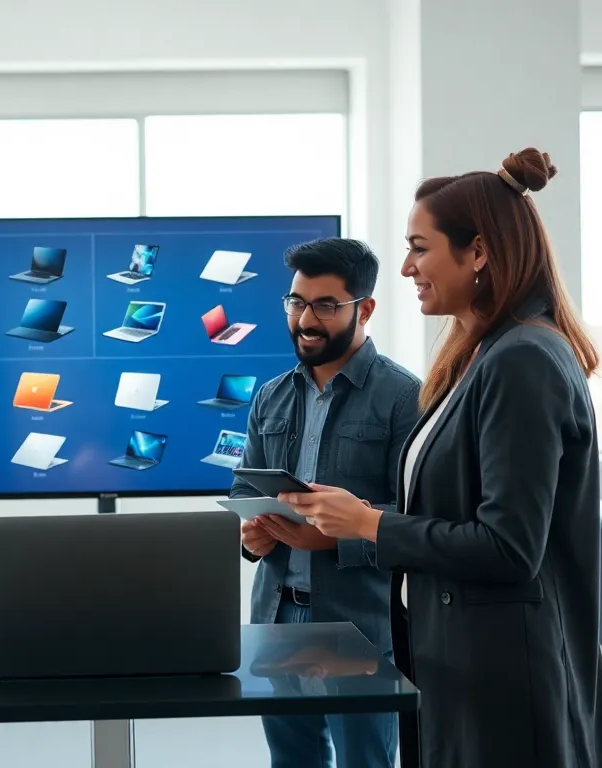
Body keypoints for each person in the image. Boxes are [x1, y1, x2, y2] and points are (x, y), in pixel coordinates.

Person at [279, 149, 602, 768]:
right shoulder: (483, 357)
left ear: (479, 252)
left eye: (420, 247)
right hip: (464, 664)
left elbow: (509, 546)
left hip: (504, 675)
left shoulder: (521, 360)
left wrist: (368, 524)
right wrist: (362, 518)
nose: (408, 267)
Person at [230, 238, 422, 768]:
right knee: (293, 761)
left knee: (366, 761)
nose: (305, 319)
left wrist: (341, 536)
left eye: (325, 305)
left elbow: (422, 522)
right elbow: (243, 489)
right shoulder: (270, 394)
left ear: (366, 308)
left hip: (360, 621)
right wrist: (250, 534)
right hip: (277, 615)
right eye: (296, 302)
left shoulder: (406, 397)